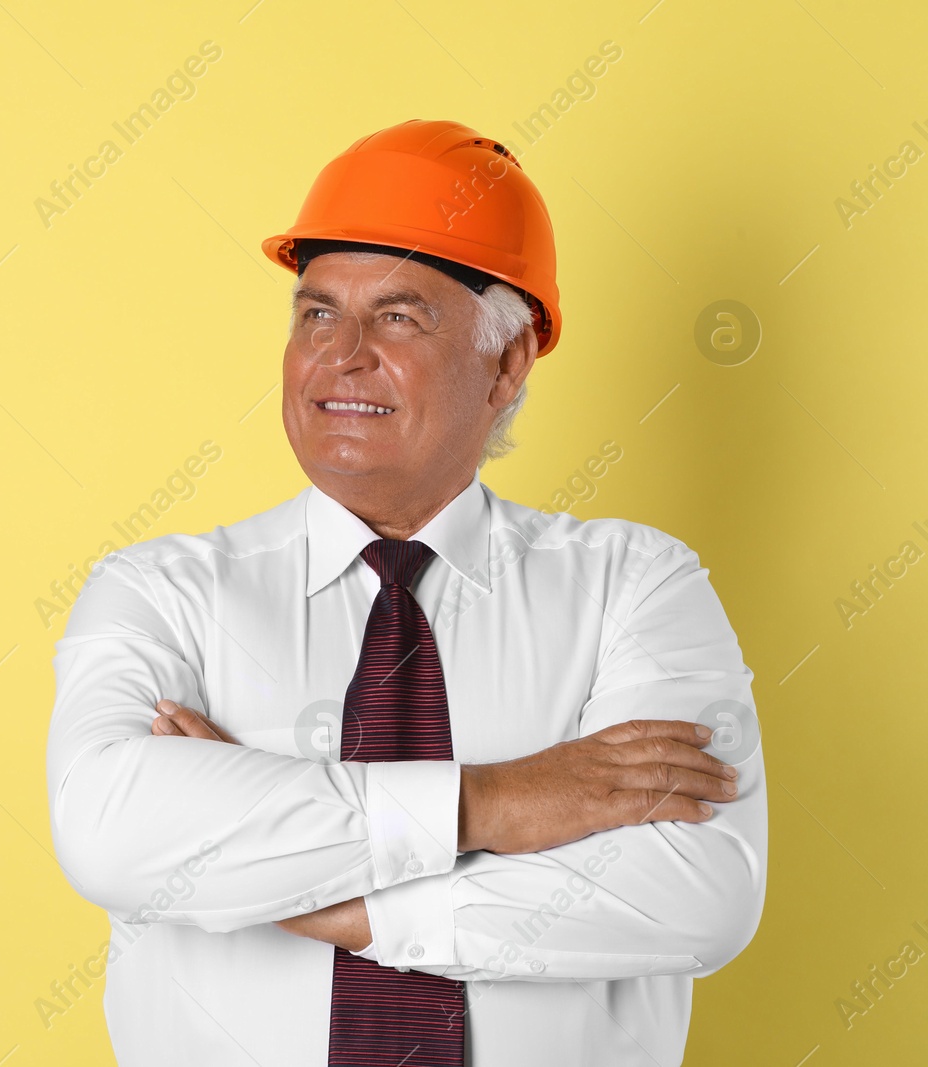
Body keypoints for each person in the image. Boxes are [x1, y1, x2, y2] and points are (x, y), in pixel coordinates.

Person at [45, 119, 766, 1067]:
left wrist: (329, 901)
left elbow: (693, 892)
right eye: (315, 313)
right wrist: (498, 803)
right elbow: (113, 833)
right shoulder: (161, 591)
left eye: (398, 316)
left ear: (506, 364)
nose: (339, 355)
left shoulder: (634, 586)